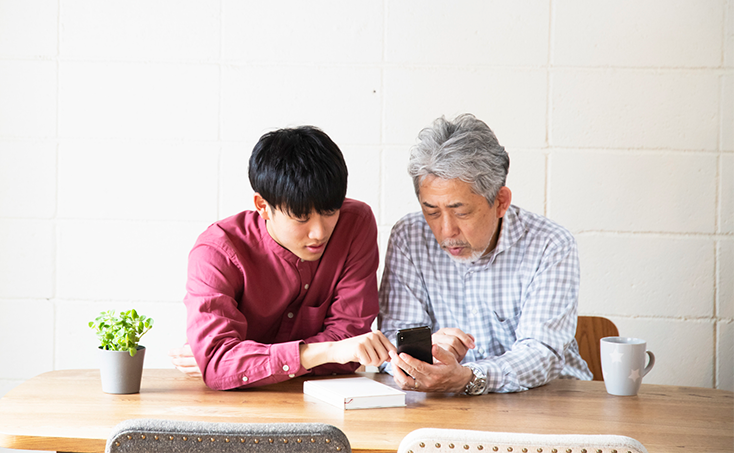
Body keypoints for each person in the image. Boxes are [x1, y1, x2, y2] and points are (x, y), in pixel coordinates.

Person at [379, 114, 592, 395]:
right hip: (446, 407)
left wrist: (469, 377)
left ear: (500, 202)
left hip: (546, 401)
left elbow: (542, 352)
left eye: (461, 212)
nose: (446, 231)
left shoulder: (549, 244)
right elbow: (393, 344)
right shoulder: (409, 236)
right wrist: (427, 352)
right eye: (431, 211)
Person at [172, 126, 393, 390]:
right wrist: (330, 351)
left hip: (326, 400)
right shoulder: (216, 251)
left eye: (330, 211)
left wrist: (248, 362)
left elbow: (350, 342)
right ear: (262, 206)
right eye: (301, 218)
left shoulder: (355, 223)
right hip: (237, 409)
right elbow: (220, 364)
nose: (319, 232)